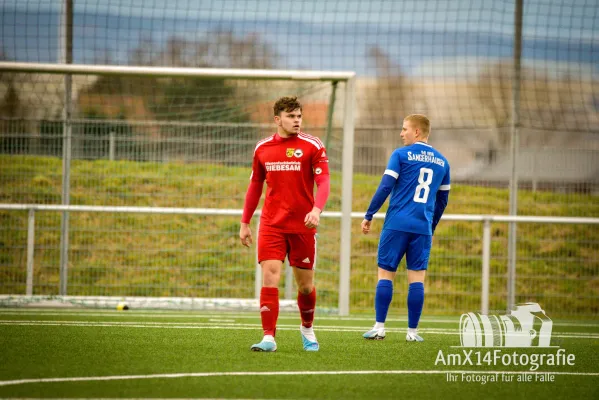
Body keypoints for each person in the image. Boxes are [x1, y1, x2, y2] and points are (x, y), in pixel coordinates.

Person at [239, 96, 330, 352]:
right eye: (291, 116)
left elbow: (324, 183)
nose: (297, 120)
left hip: (303, 226)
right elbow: (255, 186)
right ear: (278, 119)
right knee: (270, 277)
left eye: (299, 116)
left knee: (306, 286)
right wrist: (245, 222)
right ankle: (269, 337)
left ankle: (307, 329)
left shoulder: (313, 145)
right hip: (272, 225)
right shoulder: (262, 148)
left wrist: (316, 209)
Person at [361, 114, 450, 342]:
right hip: (422, 227)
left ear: (417, 132)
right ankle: (412, 332)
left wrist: (369, 214)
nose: (401, 134)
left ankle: (379, 327)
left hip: (396, 225)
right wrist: (431, 225)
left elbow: (385, 187)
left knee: (385, 274)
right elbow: (442, 202)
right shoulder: (443, 162)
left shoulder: (400, 155)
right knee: (417, 279)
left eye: (404, 129)